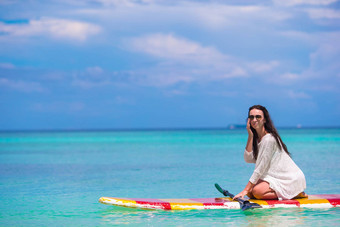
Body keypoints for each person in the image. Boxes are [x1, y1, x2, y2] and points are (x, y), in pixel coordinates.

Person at [233, 105, 307, 200]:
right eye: (251, 117)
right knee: (251, 193)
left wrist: (245, 190)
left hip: (289, 178)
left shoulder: (269, 139)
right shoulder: (258, 139)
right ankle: (290, 192)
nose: (254, 119)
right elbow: (248, 159)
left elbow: (260, 168)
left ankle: (295, 193)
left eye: (258, 117)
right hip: (274, 176)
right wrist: (250, 135)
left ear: (264, 120)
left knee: (256, 192)